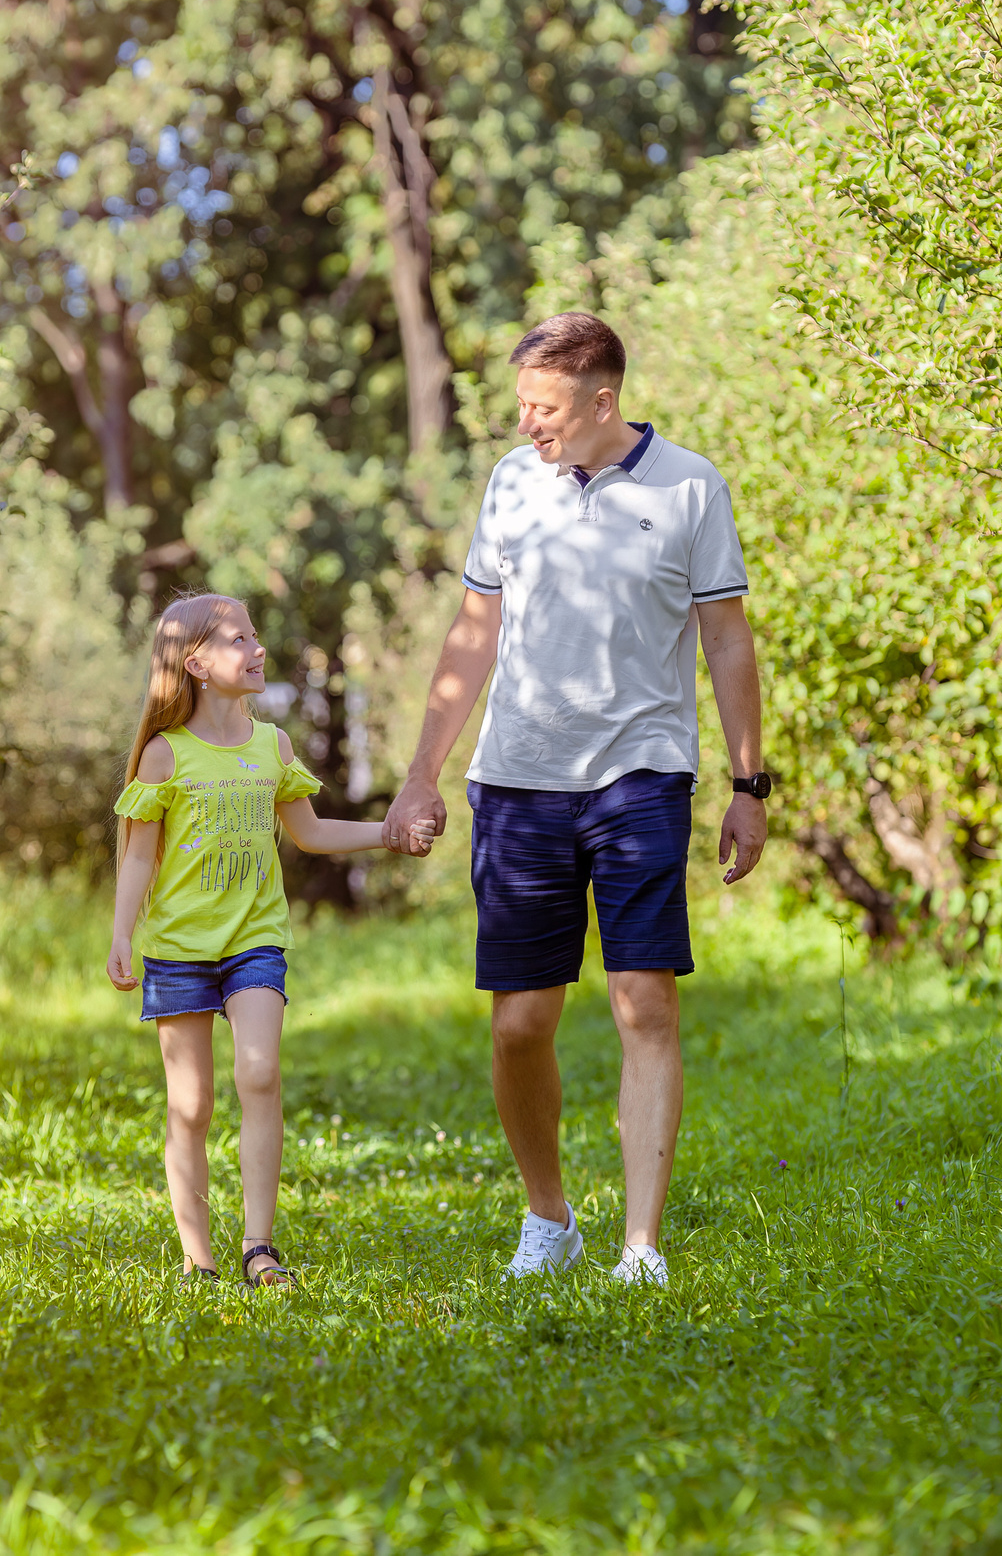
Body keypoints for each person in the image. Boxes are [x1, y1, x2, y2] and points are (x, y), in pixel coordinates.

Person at [381, 312, 768, 1288]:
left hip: (641, 774)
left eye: (543, 407)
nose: (527, 424)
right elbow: (474, 630)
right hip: (517, 784)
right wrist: (424, 769)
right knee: (519, 1025)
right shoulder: (514, 482)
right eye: (522, 404)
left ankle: (640, 1244)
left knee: (644, 1007)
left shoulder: (689, 485)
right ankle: (549, 1219)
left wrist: (748, 783)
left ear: (604, 402)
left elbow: (726, 640)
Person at [109, 593, 436, 1287]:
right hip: (178, 950)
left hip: (255, 942)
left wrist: (385, 835)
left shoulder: (272, 746)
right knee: (190, 1104)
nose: (258, 650)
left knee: (259, 1074)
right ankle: (199, 1259)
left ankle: (261, 1246)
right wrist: (120, 933)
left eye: (256, 637)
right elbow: (138, 856)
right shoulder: (167, 755)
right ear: (196, 662)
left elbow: (310, 832)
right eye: (240, 640)